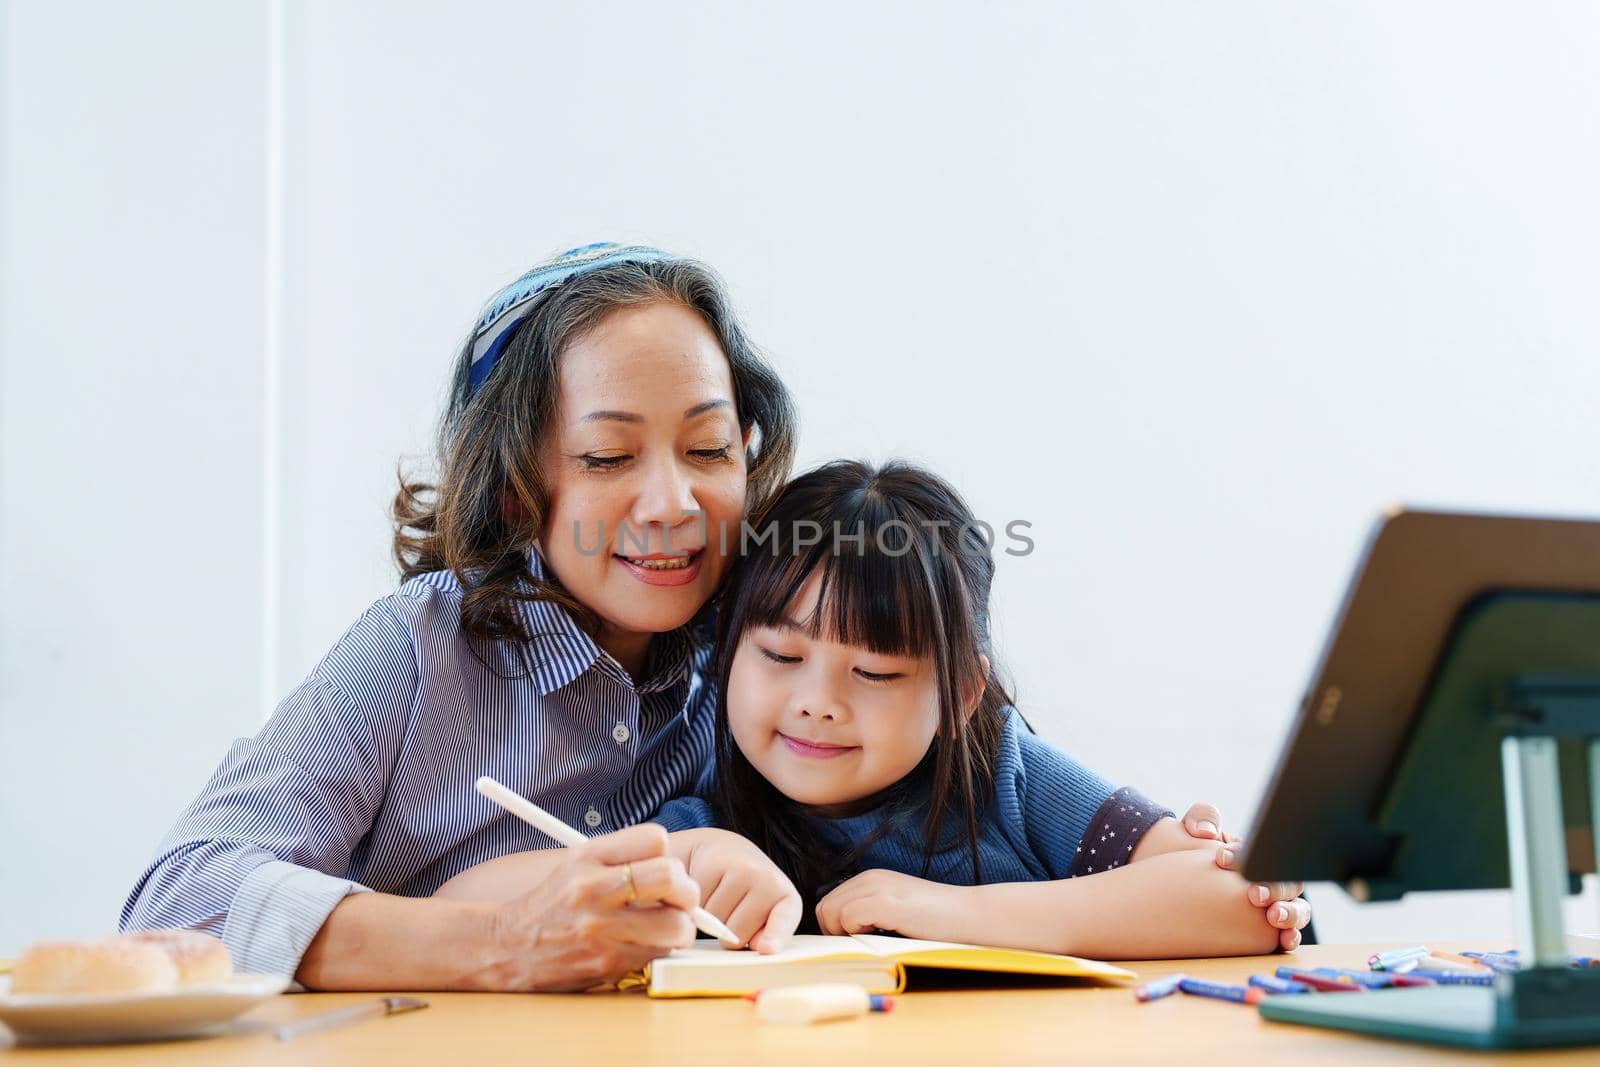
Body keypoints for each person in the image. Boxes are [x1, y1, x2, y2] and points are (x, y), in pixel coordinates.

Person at [121, 243, 804, 991]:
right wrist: (504, 940)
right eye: (608, 457)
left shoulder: (762, 659)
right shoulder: (414, 648)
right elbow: (180, 902)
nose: (675, 504)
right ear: (513, 486)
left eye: (707, 448)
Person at [446, 459, 1314, 959]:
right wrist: (678, 851)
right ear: (723, 650)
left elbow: (1245, 899)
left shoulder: (1003, 775)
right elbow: (469, 903)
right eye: (781, 656)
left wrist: (937, 912)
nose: (817, 704)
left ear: (964, 691)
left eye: (876, 673)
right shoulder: (710, 807)